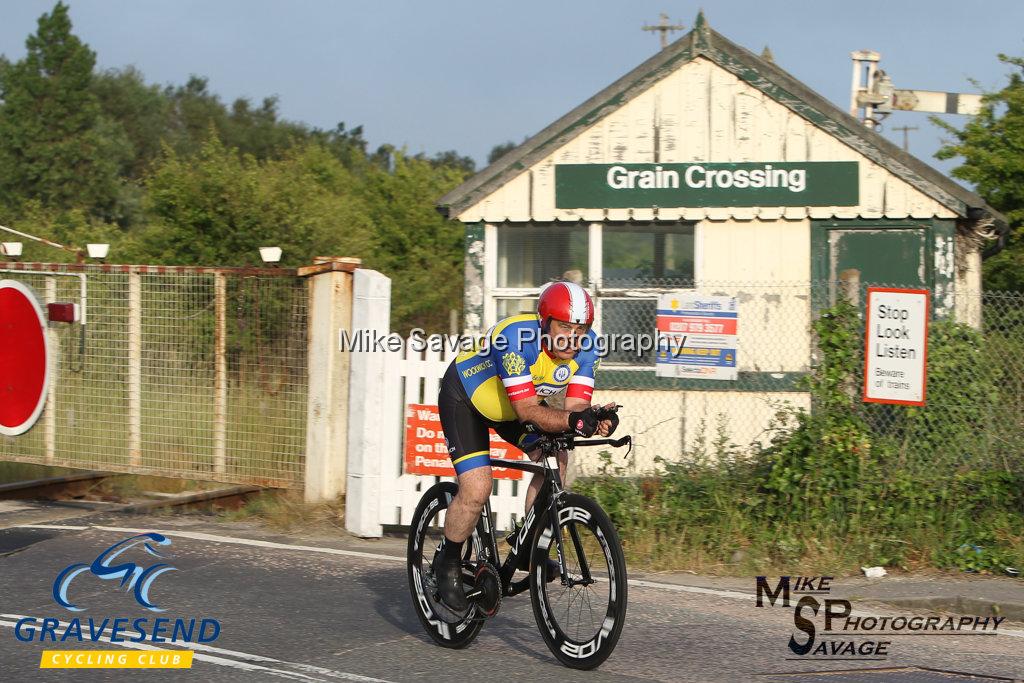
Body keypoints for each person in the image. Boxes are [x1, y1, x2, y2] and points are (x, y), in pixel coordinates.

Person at [433, 280, 617, 612]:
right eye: (564, 326)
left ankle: (529, 546)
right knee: (477, 488)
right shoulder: (515, 338)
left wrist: (593, 419)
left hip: (513, 407)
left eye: (580, 328)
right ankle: (446, 562)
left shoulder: (590, 347)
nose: (572, 338)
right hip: (467, 400)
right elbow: (529, 412)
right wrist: (575, 421)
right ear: (544, 323)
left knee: (556, 458)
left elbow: (574, 410)